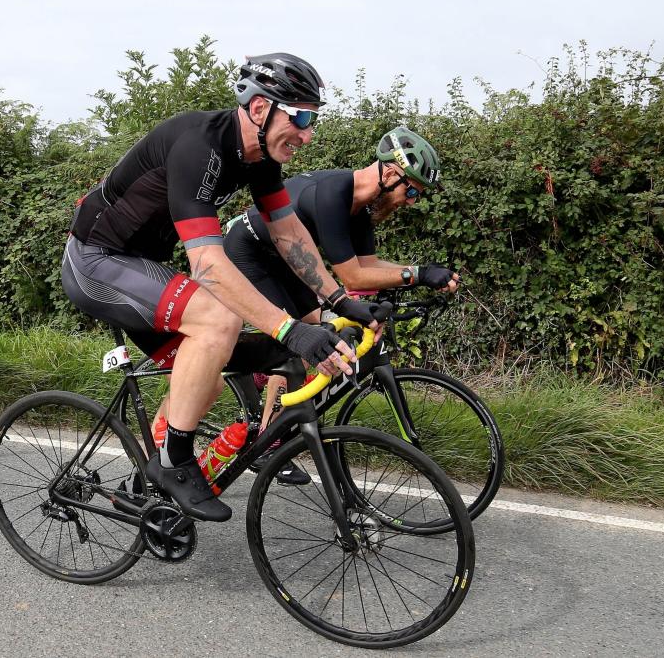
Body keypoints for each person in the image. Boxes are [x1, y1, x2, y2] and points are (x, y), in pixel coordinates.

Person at [62, 53, 387, 522]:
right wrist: (290, 330)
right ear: (260, 109)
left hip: (138, 263)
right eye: (299, 117)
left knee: (207, 378)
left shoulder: (259, 158)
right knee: (218, 319)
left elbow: (288, 231)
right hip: (96, 259)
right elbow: (209, 265)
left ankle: (144, 485)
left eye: (312, 119)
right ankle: (175, 461)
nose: (307, 133)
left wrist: (339, 300)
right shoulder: (200, 146)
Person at [224, 126, 459, 481]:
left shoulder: (359, 210)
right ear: (391, 172)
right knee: (297, 341)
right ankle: (267, 441)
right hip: (248, 250)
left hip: (287, 260)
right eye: (411, 190)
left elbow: (369, 265)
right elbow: (352, 278)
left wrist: (424, 273)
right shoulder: (334, 192)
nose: (411, 201)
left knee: (317, 330)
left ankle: (262, 376)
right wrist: (420, 274)